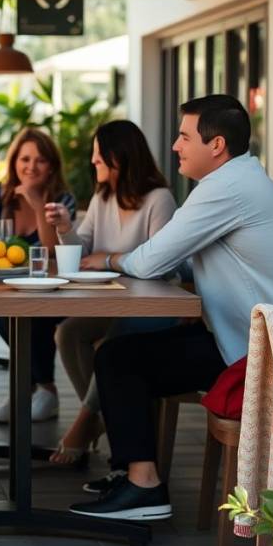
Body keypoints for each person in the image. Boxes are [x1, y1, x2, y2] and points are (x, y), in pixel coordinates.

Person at [68, 95, 273, 521]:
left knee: (119, 358)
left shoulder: (226, 188)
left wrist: (109, 260)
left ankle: (143, 487)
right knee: (125, 353)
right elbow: (187, 258)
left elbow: (151, 261)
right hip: (272, 343)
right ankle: (133, 473)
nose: (175, 145)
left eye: (184, 136)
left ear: (217, 145)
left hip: (266, 359)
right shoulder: (241, 181)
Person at [44, 120, 176, 466]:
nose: (93, 162)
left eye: (99, 155)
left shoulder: (159, 200)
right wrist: (64, 228)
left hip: (153, 311)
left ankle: (87, 419)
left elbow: (161, 265)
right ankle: (106, 417)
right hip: (115, 304)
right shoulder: (104, 198)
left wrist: (109, 260)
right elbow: (81, 250)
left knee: (116, 341)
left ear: (119, 158)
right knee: (68, 332)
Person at [0, 126, 75, 423]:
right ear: (14, 163)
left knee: (36, 320)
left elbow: (49, 251)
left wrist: (37, 205)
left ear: (51, 167)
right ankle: (30, 388)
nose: (31, 167)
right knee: (1, 316)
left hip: (53, 291)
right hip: (5, 288)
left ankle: (42, 389)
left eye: (39, 160)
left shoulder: (61, 201)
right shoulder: (1, 195)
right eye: (24, 159)